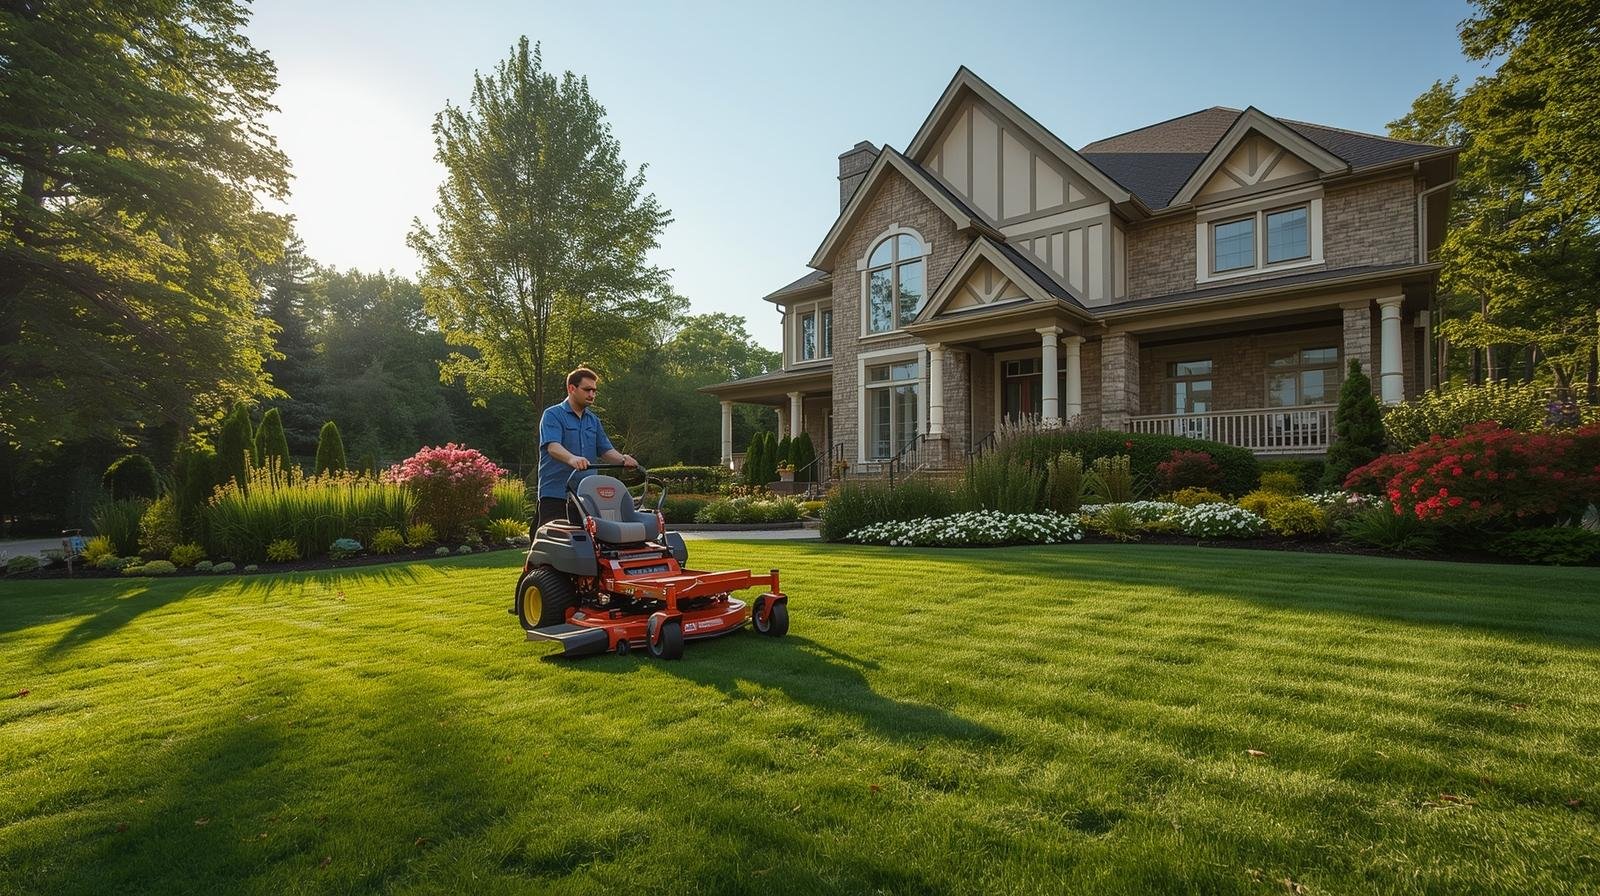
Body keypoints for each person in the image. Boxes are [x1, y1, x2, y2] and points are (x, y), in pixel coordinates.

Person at [536, 367, 637, 528]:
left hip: (586, 497)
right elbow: (553, 447)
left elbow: (605, 450)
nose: (592, 395)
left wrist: (623, 459)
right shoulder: (552, 415)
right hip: (556, 494)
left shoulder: (594, 420)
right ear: (571, 388)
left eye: (594, 391)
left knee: (588, 546)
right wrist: (572, 458)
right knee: (553, 545)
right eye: (587, 390)